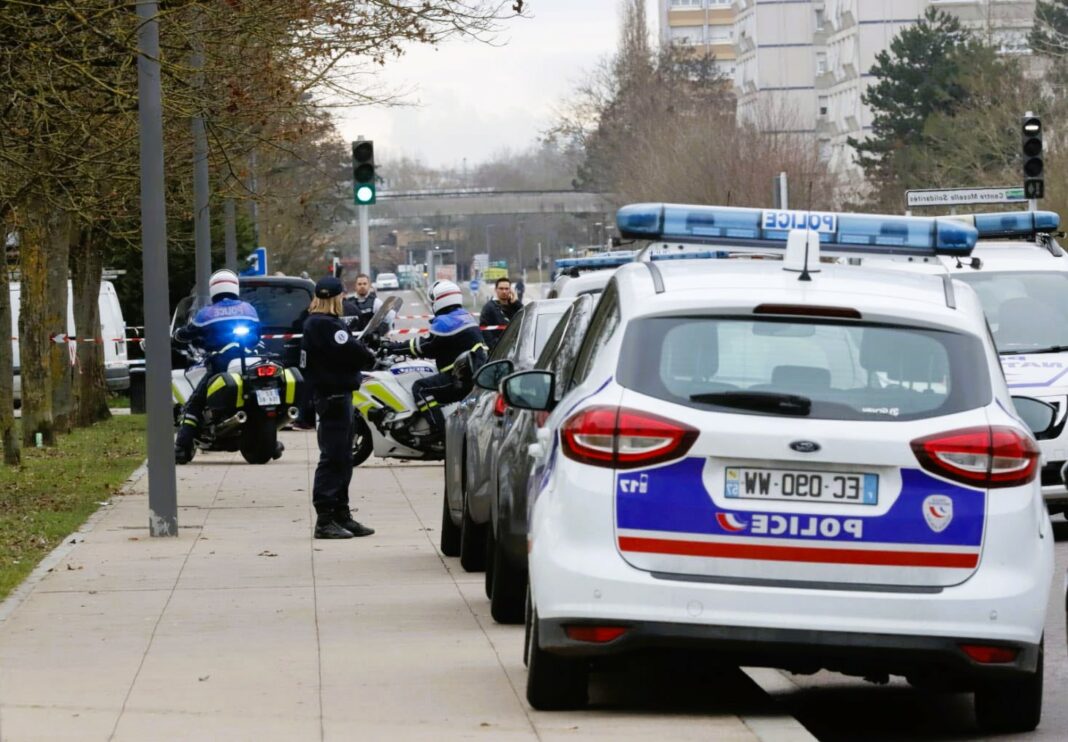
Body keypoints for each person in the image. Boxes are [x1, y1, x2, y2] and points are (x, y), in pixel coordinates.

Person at [300, 276, 378, 539]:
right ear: (336, 298)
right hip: (334, 396)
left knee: (344, 457)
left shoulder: (314, 323)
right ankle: (325, 519)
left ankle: (341, 514)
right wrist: (369, 355)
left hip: (332, 395)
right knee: (333, 457)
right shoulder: (327, 325)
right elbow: (354, 352)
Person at [173, 270, 260, 464]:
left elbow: (189, 332)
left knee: (194, 403)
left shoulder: (208, 313)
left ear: (214, 289)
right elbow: (257, 336)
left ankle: (180, 448)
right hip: (250, 361)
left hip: (220, 362)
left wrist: (178, 335)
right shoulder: (249, 309)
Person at [383, 280, 487, 438]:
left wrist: (393, 347)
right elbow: (439, 347)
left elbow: (426, 345)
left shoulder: (446, 321)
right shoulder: (463, 316)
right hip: (470, 373)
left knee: (420, 388)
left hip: (459, 378)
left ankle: (438, 431)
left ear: (439, 300)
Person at [479, 277, 521, 351]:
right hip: (498, 352)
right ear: (496, 290)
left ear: (510, 290)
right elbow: (485, 330)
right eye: (501, 288)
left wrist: (516, 302)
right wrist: (496, 348)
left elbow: (526, 317)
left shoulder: (514, 306)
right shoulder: (489, 308)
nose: (504, 291)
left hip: (516, 349)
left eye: (507, 288)